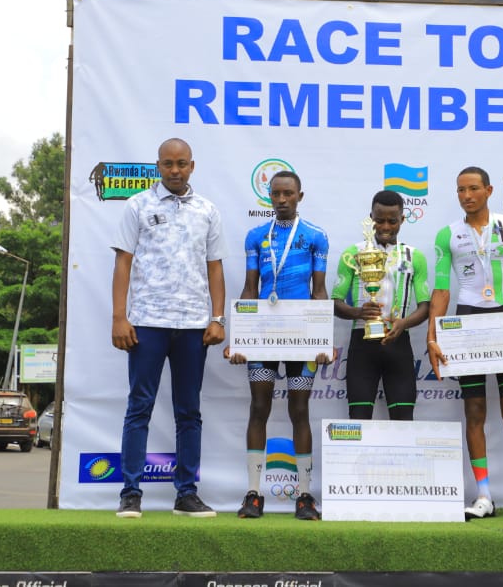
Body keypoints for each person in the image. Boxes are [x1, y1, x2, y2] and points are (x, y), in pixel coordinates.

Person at [111, 137, 227, 519]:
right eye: (167, 164)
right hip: (146, 322)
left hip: (193, 325)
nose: (175, 170)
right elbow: (123, 263)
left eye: (181, 164)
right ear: (158, 166)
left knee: (189, 411)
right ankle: (131, 493)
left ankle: (186, 494)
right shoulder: (137, 205)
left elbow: (215, 266)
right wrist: (119, 316)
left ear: (192, 166)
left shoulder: (208, 210)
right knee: (139, 406)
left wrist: (217, 317)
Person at [426, 166, 503, 521]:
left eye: (474, 188)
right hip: (466, 323)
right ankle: (483, 496)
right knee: (474, 412)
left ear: (489, 190)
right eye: (461, 190)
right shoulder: (448, 234)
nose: (467, 196)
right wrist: (433, 336)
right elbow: (442, 290)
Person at [226, 171, 330, 521]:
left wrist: (323, 341)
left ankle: (304, 496)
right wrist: (239, 338)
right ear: (269, 197)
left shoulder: (316, 236)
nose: (282, 200)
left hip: (302, 338)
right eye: (276, 194)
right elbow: (249, 290)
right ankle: (254, 494)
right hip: (265, 337)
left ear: (300, 195)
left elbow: (319, 292)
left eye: (288, 194)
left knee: (299, 412)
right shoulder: (256, 237)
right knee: (259, 408)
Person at [332, 190, 431, 420]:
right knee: (359, 417)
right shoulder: (353, 254)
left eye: (392, 221)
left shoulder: (414, 256)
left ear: (402, 220)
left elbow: (425, 306)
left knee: (404, 418)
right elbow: (335, 303)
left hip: (398, 344)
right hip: (362, 344)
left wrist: (403, 323)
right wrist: (358, 312)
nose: (386, 226)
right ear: (370, 219)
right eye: (379, 220)